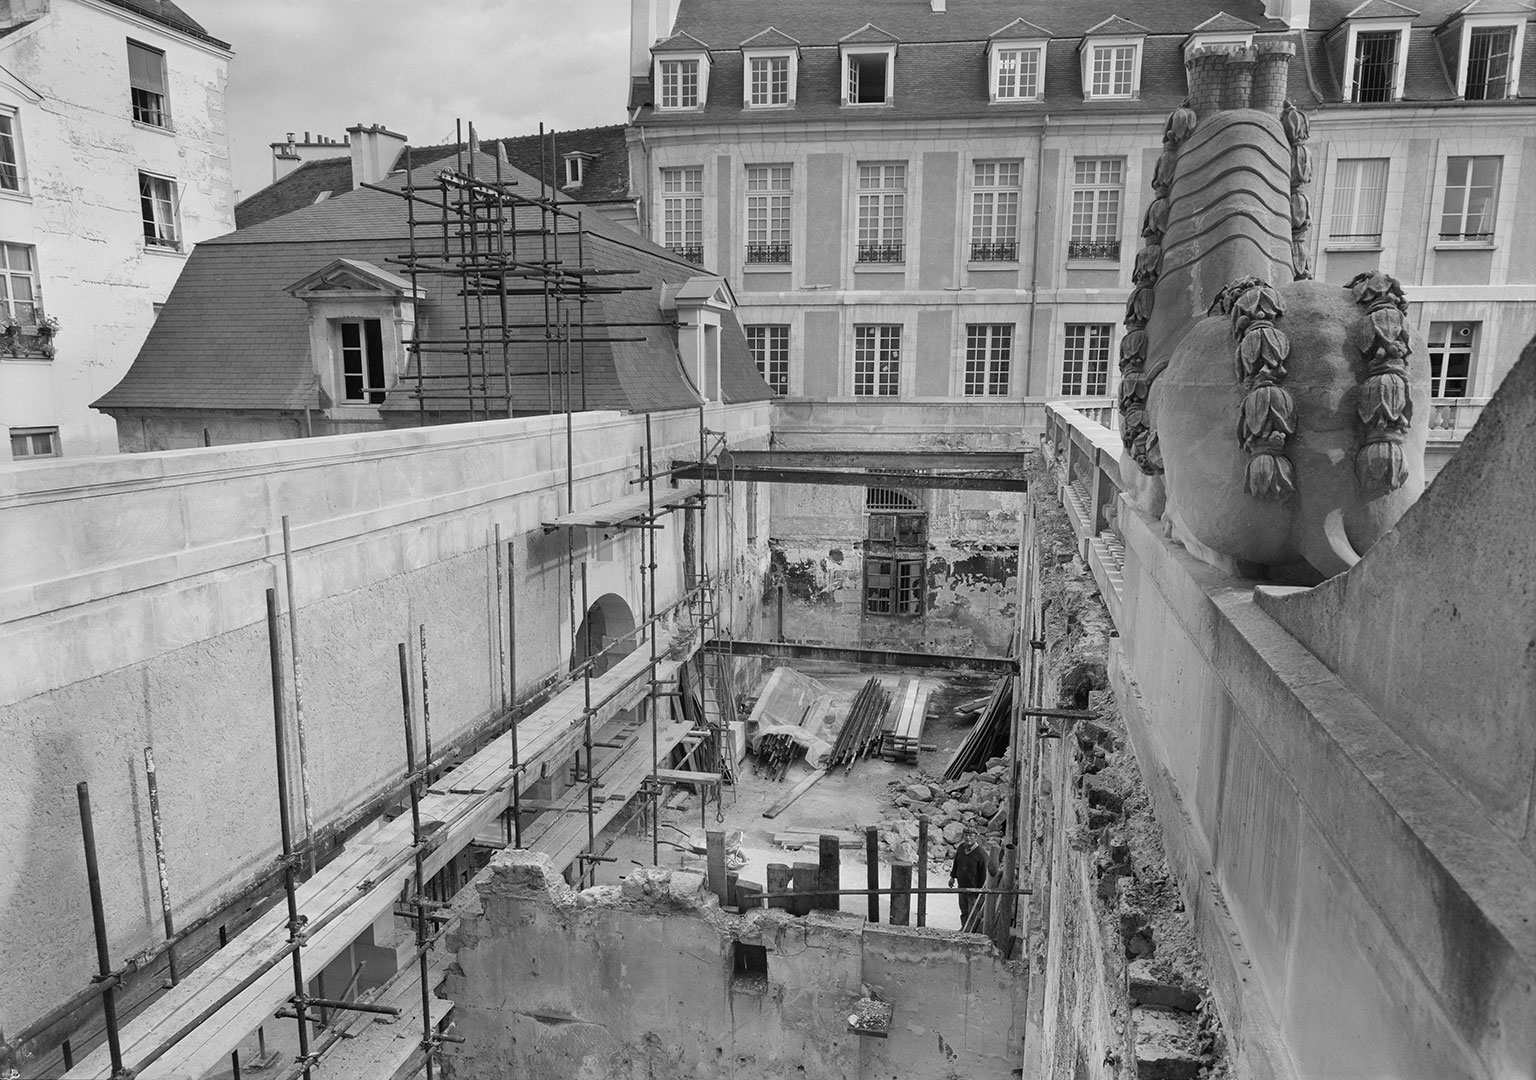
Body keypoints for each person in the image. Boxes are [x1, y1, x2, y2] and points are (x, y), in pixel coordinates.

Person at [949, 827, 987, 928]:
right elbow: (956, 863)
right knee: (964, 911)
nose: (968, 838)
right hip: (961, 887)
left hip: (973, 890)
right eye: (966, 835)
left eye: (971, 836)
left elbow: (984, 875)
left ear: (976, 837)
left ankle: (970, 932)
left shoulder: (981, 854)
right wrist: (952, 877)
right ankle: (964, 929)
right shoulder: (961, 848)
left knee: (973, 913)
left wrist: (981, 892)